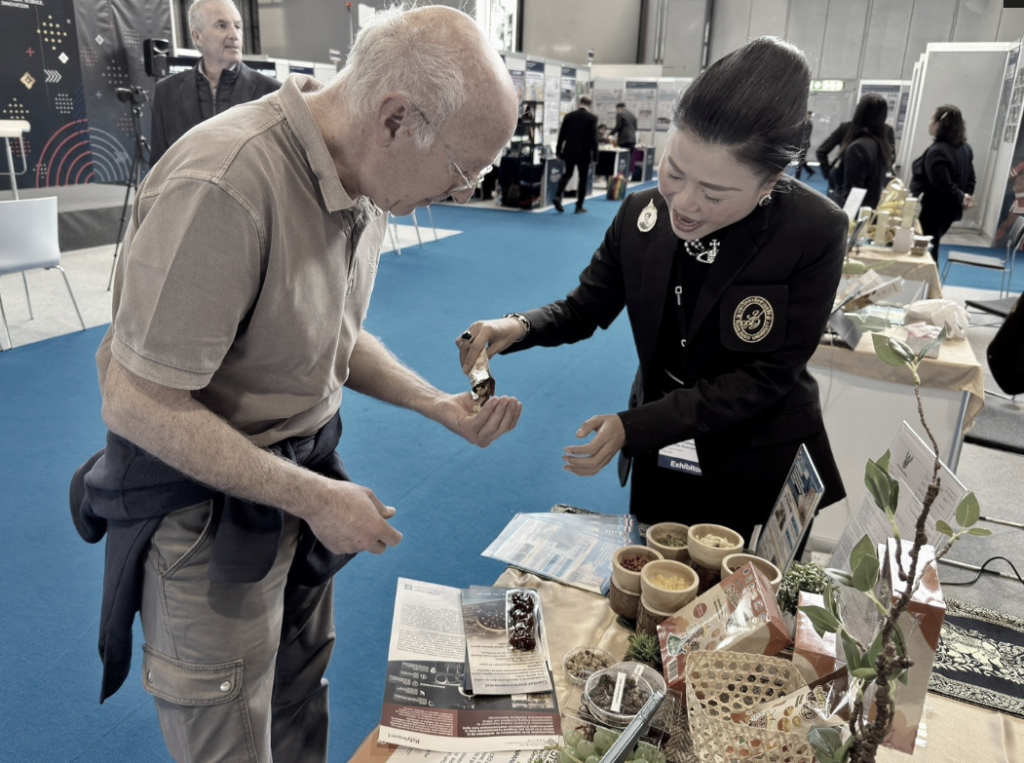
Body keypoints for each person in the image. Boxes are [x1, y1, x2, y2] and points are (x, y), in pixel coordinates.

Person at [69, 6, 521, 762]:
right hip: (206, 515)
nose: (463, 192)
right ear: (396, 119)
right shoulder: (225, 183)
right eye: (462, 169)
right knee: (231, 732)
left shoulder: (366, 174)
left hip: (297, 486)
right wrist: (314, 497)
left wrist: (436, 404)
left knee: (297, 699)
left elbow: (323, 332)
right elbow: (137, 398)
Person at [457, 36, 846, 543]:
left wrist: (637, 425)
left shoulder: (812, 231)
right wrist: (518, 326)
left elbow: (765, 377)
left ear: (770, 182)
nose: (682, 203)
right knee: (651, 564)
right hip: (661, 453)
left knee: (743, 587)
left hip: (753, 458)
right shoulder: (640, 212)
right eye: (673, 172)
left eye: (714, 194)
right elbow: (584, 307)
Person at [149, 0, 282, 166]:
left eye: (238, 26)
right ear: (197, 37)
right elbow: (159, 167)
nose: (234, 35)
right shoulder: (167, 92)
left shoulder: (272, 92)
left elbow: (282, 165)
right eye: (222, 26)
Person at [910, 105, 976, 262]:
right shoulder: (965, 148)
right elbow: (971, 179)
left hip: (931, 211)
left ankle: (930, 278)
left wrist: (962, 198)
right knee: (931, 249)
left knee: (926, 253)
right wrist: (965, 198)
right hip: (948, 212)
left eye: (931, 119)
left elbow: (943, 184)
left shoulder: (938, 151)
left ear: (939, 123)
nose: (929, 122)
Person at [816, 97, 896, 196]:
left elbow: (851, 194)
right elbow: (891, 157)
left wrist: (829, 174)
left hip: (847, 194)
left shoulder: (857, 145)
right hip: (873, 192)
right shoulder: (885, 133)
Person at [829, 93, 892, 210]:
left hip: (849, 214)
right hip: (867, 211)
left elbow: (852, 197)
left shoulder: (858, 148)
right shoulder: (880, 146)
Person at [553, 94, 599, 214]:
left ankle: (557, 196)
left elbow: (562, 135)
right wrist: (595, 157)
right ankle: (579, 206)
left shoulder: (569, 116)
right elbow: (594, 139)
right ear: (590, 105)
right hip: (584, 153)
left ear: (579, 103)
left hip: (569, 151)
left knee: (567, 174)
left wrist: (558, 152)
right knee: (583, 178)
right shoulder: (592, 118)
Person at [610, 101, 638, 175]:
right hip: (632, 139)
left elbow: (618, 126)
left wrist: (610, 134)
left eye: (617, 110)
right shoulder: (632, 115)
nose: (616, 111)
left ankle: (620, 175)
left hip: (624, 140)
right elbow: (635, 128)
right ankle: (627, 174)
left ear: (619, 108)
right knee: (629, 158)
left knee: (622, 159)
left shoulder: (620, 114)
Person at [794, 110, 814, 179]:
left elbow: (806, 135)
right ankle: (810, 171)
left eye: (808, 115)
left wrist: (802, 144)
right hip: (803, 144)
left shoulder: (809, 124)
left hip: (805, 145)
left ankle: (797, 177)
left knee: (800, 160)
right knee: (801, 159)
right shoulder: (805, 123)